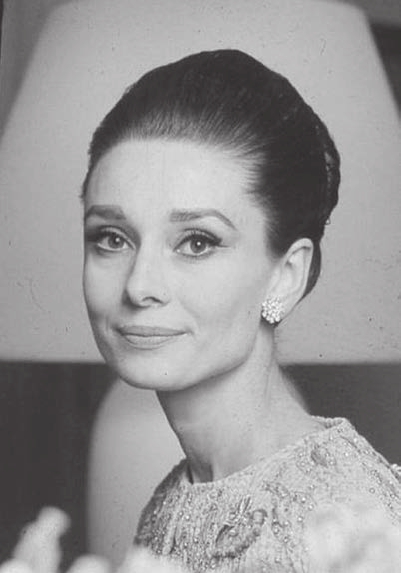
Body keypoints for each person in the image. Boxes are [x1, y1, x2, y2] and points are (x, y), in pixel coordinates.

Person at [81, 50, 401, 572]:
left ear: (286, 275)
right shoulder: (173, 499)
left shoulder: (336, 519)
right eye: (112, 238)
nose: (139, 286)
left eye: (197, 242)